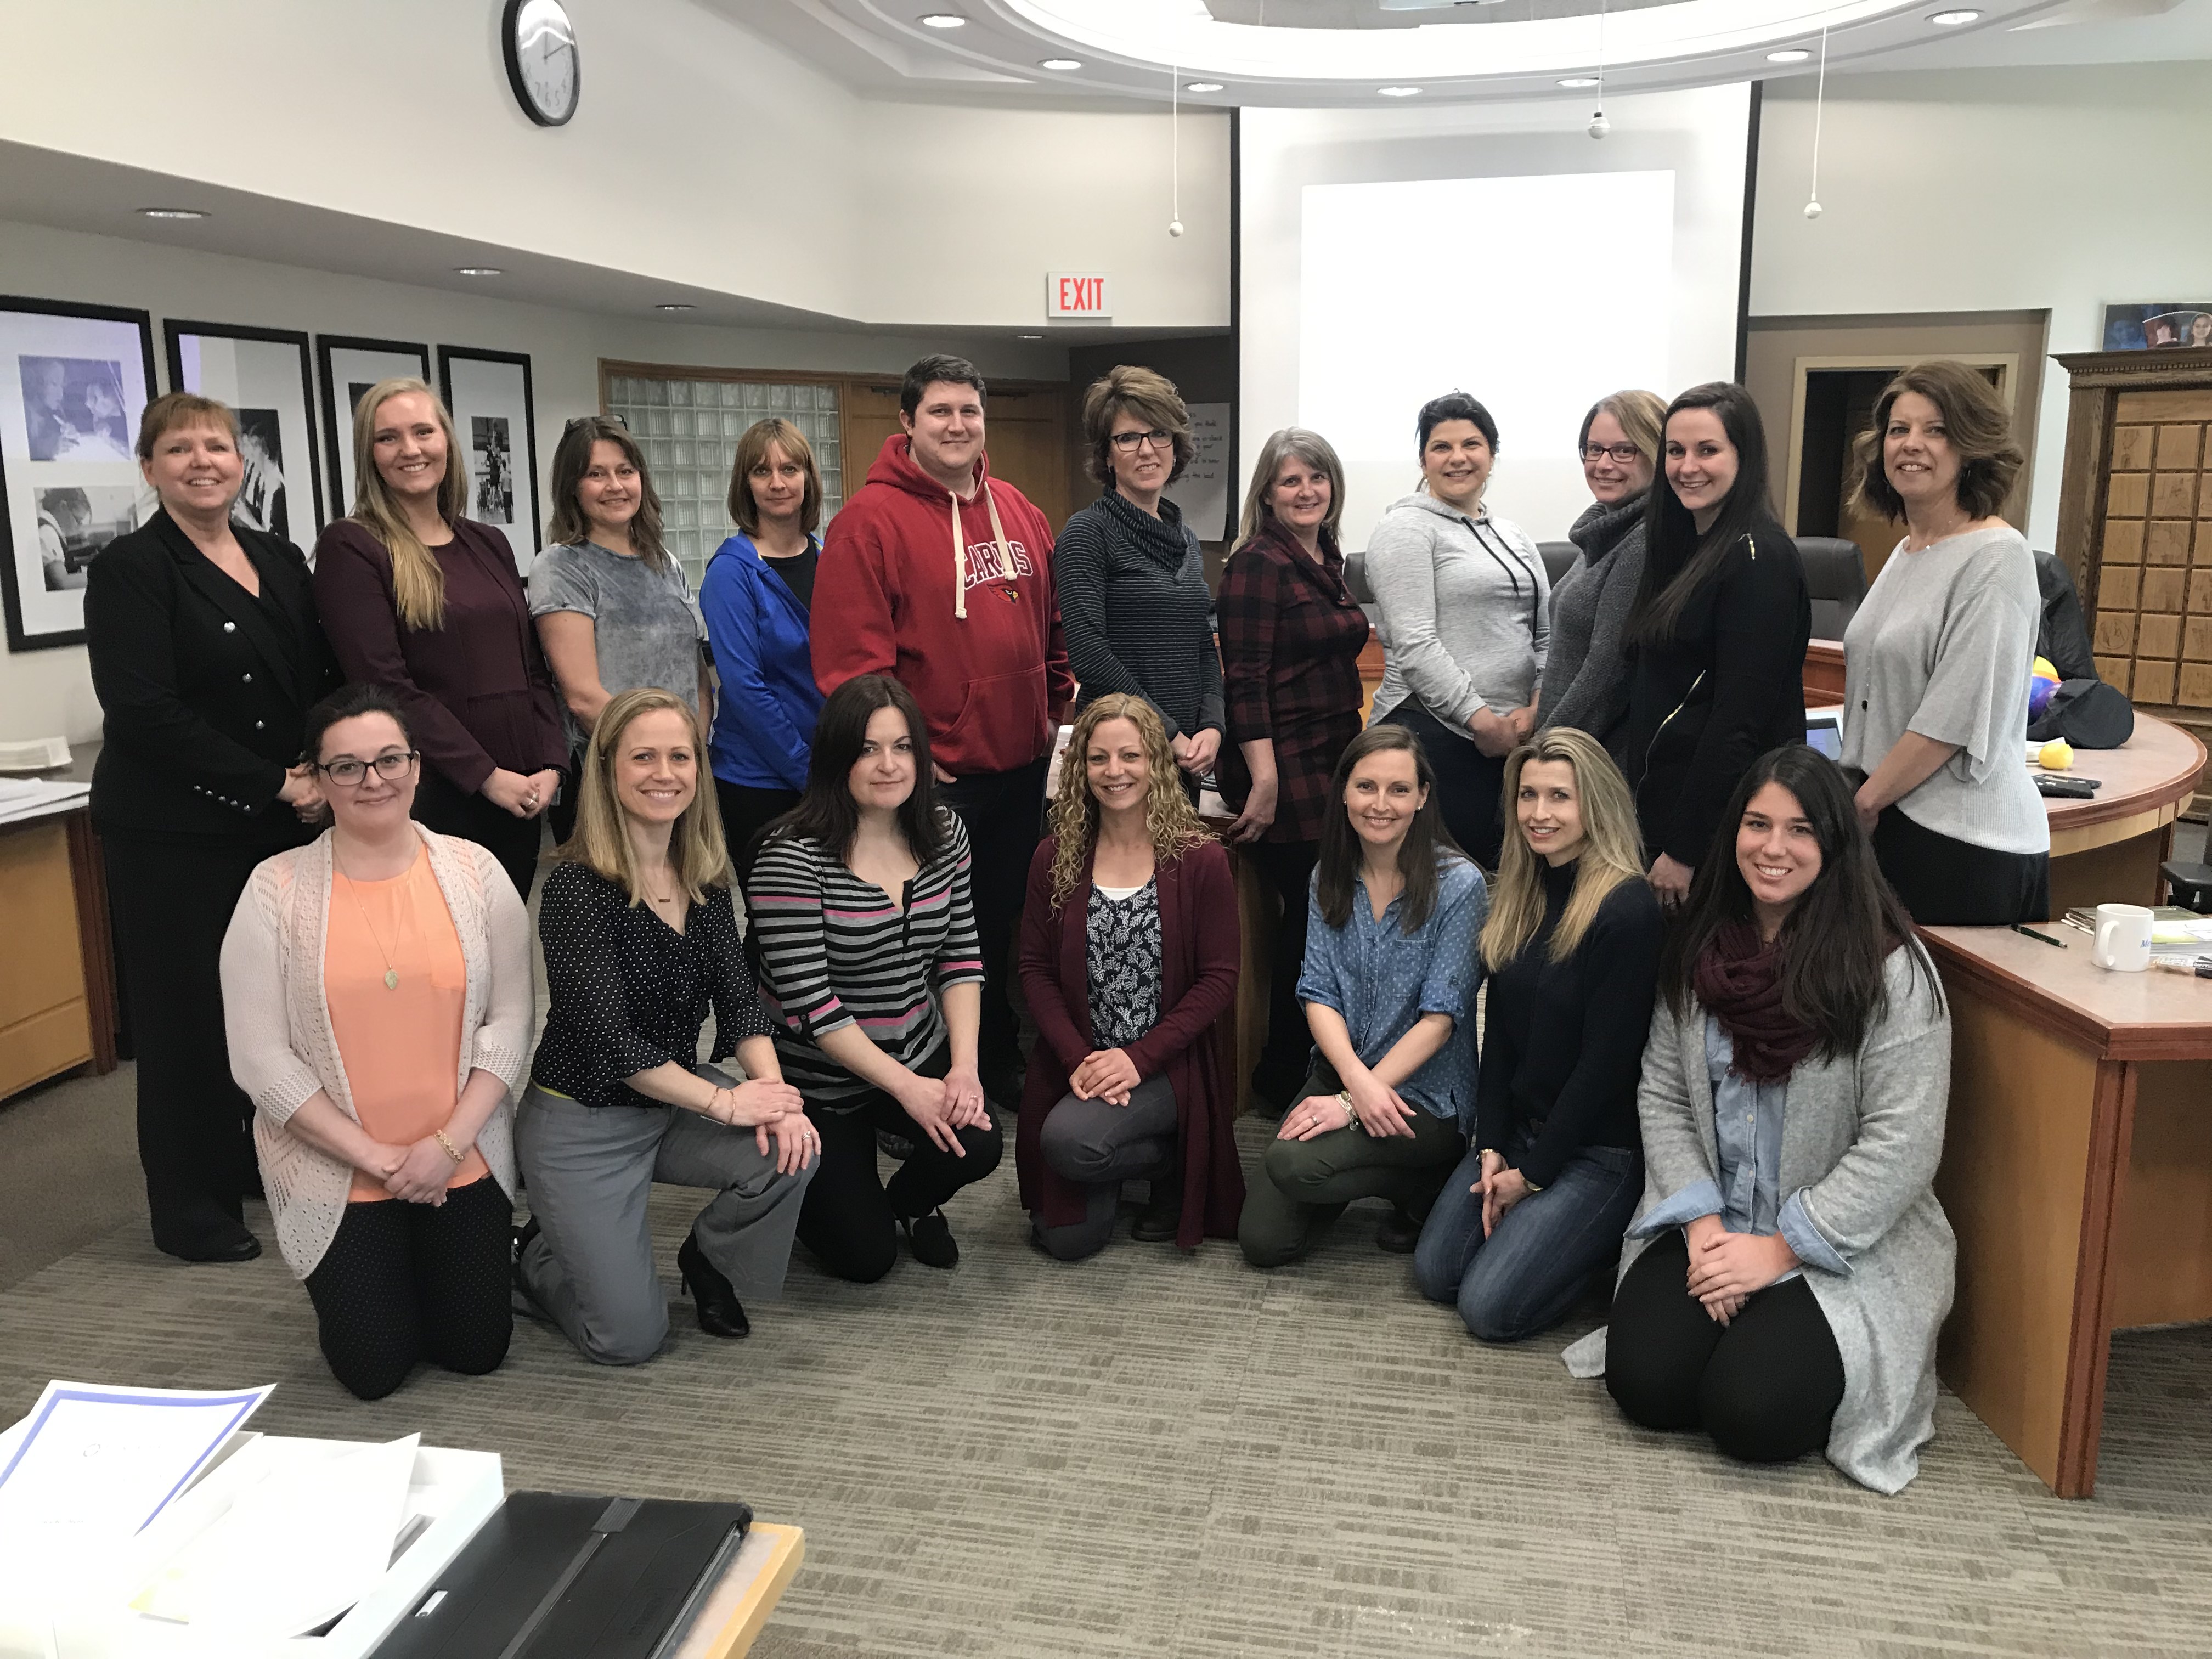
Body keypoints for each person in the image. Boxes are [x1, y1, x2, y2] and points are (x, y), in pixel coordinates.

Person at [1603, 746, 1954, 1493]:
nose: (1774, 847)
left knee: (1750, 1416)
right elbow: (1662, 1095)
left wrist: (1777, 1252)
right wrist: (1703, 1230)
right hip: (1716, 1216)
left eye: (1800, 830)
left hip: (1840, 1243)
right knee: (1647, 1386)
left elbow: (1904, 1144)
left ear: (1834, 844)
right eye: (1757, 824)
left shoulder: (1891, 969)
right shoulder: (1702, 949)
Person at [84, 392, 339, 1262]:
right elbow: (142, 711)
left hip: (279, 818)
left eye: (219, 447)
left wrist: (320, 773)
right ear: (150, 468)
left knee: (272, 1006)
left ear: (243, 463)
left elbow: (313, 676)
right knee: (187, 1016)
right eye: (181, 448)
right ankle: (189, 1207)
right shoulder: (133, 567)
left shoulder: (276, 555)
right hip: (174, 835)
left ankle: (244, 1157)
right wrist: (276, 782)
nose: (204, 462)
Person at [219, 685, 529, 1400]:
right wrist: (379, 1160)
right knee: (374, 1371)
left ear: (418, 768)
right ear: (319, 782)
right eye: (348, 767)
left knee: (476, 1350)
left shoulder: (477, 873)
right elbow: (259, 1059)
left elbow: (511, 1026)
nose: (374, 780)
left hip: (461, 1158)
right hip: (344, 1171)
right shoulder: (274, 889)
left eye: (390, 760)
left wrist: (445, 1147)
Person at [516, 687, 817, 1365]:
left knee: (795, 1148)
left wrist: (777, 1099)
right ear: (609, 769)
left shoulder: (705, 878)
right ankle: (533, 1256)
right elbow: (613, 1043)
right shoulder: (575, 887)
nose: (665, 773)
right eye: (643, 756)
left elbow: (743, 1006)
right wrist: (726, 1100)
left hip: (671, 1107)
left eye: (680, 756)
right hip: (582, 1126)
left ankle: (708, 1260)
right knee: (627, 1340)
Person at [810, 355, 1072, 1106]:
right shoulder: (867, 523)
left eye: (969, 412)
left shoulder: (1020, 511)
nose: (958, 426)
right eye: (940, 413)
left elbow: (1051, 627)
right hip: (937, 780)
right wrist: (912, 759)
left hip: (1020, 769)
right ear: (908, 421)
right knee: (916, 938)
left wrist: (1051, 713)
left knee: (995, 928)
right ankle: (910, 1082)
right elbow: (854, 670)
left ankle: (991, 1062)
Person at [746, 675, 1002, 1281]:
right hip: (819, 1079)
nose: (888, 765)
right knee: (865, 1259)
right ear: (837, 759)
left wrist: (962, 1069)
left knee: (981, 1142)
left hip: (917, 1045)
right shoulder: (790, 855)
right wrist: (909, 1090)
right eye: (867, 749)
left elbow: (962, 955)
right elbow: (812, 1005)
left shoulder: (945, 834)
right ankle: (799, 1184)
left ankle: (911, 1203)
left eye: (903, 747)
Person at [1412, 728, 1661, 1341]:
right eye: (1528, 796)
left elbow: (1606, 1067)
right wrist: (1492, 1143)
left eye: (1560, 797)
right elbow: (1498, 1038)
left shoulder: (1628, 911)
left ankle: (1593, 1250)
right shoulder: (1522, 893)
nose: (1539, 814)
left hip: (1598, 1151)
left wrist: (1534, 1176)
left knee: (1488, 1309)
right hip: (1520, 1130)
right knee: (1437, 1273)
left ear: (1595, 804)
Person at [1239, 726, 1486, 1268]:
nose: (1381, 805)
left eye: (1399, 789)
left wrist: (1357, 1103)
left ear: (1423, 796)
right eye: (1366, 787)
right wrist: (1353, 1087)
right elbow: (1318, 994)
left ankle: (1423, 1174)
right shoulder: (1328, 876)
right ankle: (1395, 1179)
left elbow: (1441, 1018)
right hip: (1344, 1070)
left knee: (1291, 1165)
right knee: (1265, 1241)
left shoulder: (1462, 884)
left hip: (1423, 1095)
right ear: (1344, 793)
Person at [314, 377, 567, 901]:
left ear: (447, 442)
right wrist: (485, 776)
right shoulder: (353, 546)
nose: (410, 450)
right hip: (436, 792)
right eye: (389, 438)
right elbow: (385, 687)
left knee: (503, 955)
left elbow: (532, 669)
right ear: (369, 455)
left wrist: (551, 764)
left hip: (521, 791)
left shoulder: (488, 542)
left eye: (423, 432)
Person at [1015, 695, 1243, 1261]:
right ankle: (1133, 1155)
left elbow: (1219, 979)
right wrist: (1079, 1060)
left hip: (1169, 1063)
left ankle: (1166, 1153)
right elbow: (1034, 970)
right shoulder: (1055, 856)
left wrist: (1136, 1061)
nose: (1114, 772)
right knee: (1066, 1241)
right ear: (1080, 768)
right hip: (1083, 1060)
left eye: (1130, 756)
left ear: (1157, 764)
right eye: (1098, 759)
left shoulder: (1200, 858)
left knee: (1070, 1143)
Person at [1839, 361, 2049, 926]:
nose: (1912, 445)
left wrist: (1863, 801)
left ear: (1972, 448)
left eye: (1936, 430)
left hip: (1961, 840)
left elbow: (1953, 716)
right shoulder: (1910, 550)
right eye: (1899, 430)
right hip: (1892, 818)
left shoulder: (1997, 557)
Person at [1216, 428, 1371, 1113]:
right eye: (1290, 481)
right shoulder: (1257, 561)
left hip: (1333, 757)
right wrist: (1266, 780)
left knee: (1326, 917)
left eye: (1317, 478)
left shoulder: (1324, 553)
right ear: (1267, 494)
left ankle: (1307, 1058)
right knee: (1310, 923)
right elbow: (1244, 680)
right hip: (1282, 766)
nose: (1306, 491)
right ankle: (1280, 1076)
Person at [1619, 382, 1810, 909]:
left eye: (1708, 450)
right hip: (1663, 810)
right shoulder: (1688, 548)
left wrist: (1686, 849)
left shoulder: (1758, 559)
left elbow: (1738, 721)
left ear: (1743, 457)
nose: (1687, 466)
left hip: (1711, 832)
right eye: (1675, 451)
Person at [1368, 392, 1550, 868]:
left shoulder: (1513, 536)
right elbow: (1415, 643)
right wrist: (1481, 720)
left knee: (1507, 888)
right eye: (1441, 447)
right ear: (1424, 459)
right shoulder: (1405, 529)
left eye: (1471, 444)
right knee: (1451, 891)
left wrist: (1536, 704)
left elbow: (1546, 635)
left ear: (1491, 454)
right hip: (1436, 735)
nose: (1457, 458)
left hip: (1514, 739)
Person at [529, 415, 710, 846]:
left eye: (625, 471)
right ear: (573, 487)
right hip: (607, 773)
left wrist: (690, 752)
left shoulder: (665, 563)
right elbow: (583, 695)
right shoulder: (561, 567)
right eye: (596, 474)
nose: (615, 485)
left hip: (680, 775)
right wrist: (653, 758)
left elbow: (695, 673)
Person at [1053, 366, 1223, 802]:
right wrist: (1166, 734)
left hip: (1184, 754)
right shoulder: (1087, 533)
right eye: (1128, 438)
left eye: (1158, 434)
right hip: (1119, 757)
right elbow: (1090, 656)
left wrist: (1211, 726)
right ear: (1106, 455)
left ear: (1175, 444)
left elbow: (1202, 643)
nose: (1146, 450)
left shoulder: (1183, 536)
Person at [701, 417, 827, 871]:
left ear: (808, 479)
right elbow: (746, 689)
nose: (778, 483)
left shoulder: (830, 559)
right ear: (745, 484)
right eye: (762, 471)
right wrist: (810, 775)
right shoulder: (731, 573)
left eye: (790, 469)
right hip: (760, 782)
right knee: (777, 925)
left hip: (832, 773)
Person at [1538, 391, 1667, 765]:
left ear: (1656, 454)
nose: (1603, 464)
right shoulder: (1606, 533)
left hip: (1592, 764)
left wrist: (1541, 756)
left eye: (1624, 451)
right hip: (1572, 751)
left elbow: (1606, 676)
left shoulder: (1642, 543)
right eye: (1593, 449)